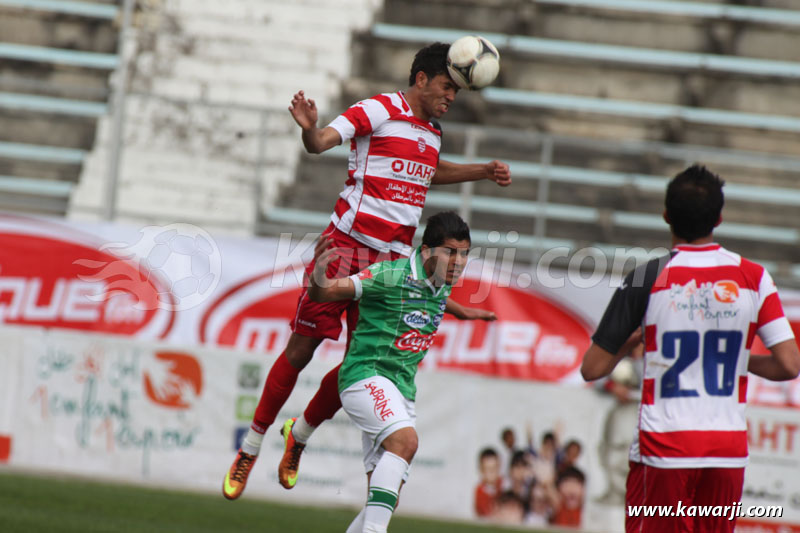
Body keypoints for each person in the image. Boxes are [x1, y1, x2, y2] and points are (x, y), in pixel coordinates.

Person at [222, 42, 511, 499]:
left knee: (359, 364)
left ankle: (297, 437)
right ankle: (251, 447)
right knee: (301, 351)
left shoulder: (432, 133)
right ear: (420, 79)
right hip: (346, 248)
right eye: (445, 86)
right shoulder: (376, 110)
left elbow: (428, 171)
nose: (451, 97)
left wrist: (481, 171)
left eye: (456, 90)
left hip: (392, 262)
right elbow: (319, 144)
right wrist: (310, 129)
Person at [581, 165, 800, 533]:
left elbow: (592, 368)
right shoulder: (753, 276)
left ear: (666, 216)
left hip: (665, 446)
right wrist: (734, 361)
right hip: (726, 450)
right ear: (719, 217)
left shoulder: (647, 277)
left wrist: (632, 341)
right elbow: (789, 365)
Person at [307, 211, 477, 533]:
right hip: (365, 375)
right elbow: (324, 293)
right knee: (406, 442)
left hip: (400, 389)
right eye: (450, 252)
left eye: (464, 254)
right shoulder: (390, 274)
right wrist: (318, 274)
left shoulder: (441, 283)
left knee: (386, 498)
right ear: (426, 252)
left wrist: (467, 312)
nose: (458, 261)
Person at [474, 447, 503, 518]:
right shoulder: (479, 491)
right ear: (481, 470)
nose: (492, 473)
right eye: (488, 469)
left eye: (495, 468)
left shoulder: (504, 485)